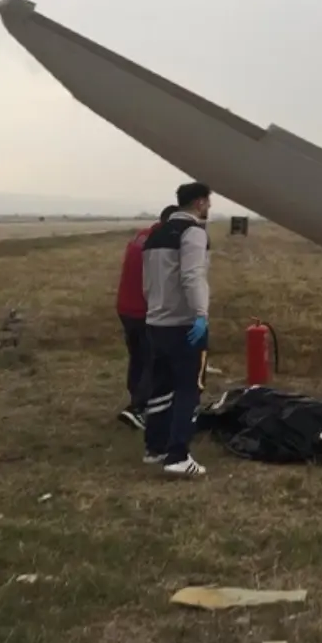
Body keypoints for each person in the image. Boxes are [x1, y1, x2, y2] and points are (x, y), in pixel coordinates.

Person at [141, 182, 213, 476]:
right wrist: (201, 314)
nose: (209, 207)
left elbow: (147, 283)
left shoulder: (156, 234)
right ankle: (178, 455)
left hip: (156, 321)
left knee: (161, 387)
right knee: (188, 389)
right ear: (198, 203)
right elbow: (193, 276)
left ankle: (154, 448)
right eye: (208, 202)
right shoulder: (193, 232)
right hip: (183, 324)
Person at [115, 204, 177, 430]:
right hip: (145, 311)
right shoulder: (162, 243)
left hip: (125, 308)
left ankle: (136, 400)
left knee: (138, 357)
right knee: (153, 360)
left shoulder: (141, 235)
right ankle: (139, 409)